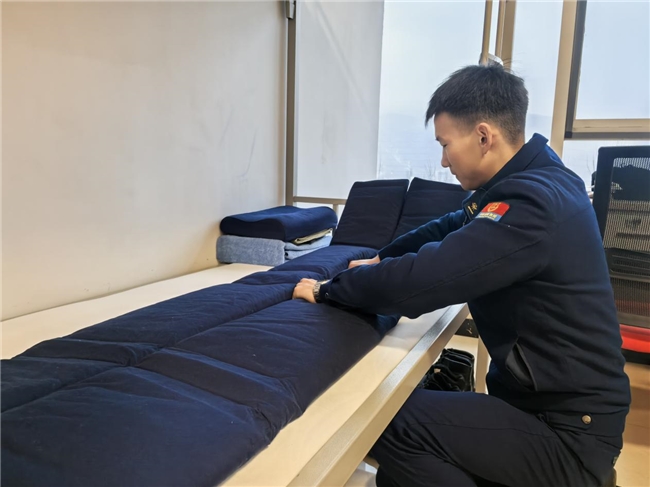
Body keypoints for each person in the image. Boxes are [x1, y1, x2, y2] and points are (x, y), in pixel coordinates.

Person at [292, 63, 630, 487]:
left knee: (377, 421)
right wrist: (381, 259)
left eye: (445, 144)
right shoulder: (534, 181)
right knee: (399, 470)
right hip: (550, 409)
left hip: (567, 434)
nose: (443, 159)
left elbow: (428, 279)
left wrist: (328, 290)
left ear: (484, 137)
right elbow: (450, 226)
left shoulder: (534, 204)